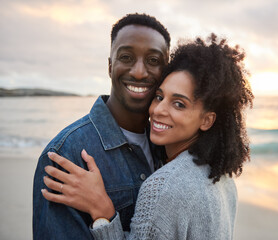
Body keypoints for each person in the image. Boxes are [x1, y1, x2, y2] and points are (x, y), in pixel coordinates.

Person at [42, 34, 254, 239]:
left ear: (207, 120)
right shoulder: (222, 178)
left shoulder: (163, 187)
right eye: (159, 96)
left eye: (179, 104)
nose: (158, 110)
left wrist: (103, 212)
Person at [33, 13, 170, 239]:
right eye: (126, 57)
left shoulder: (170, 146)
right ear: (109, 66)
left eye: (153, 61)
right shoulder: (66, 155)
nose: (138, 71)